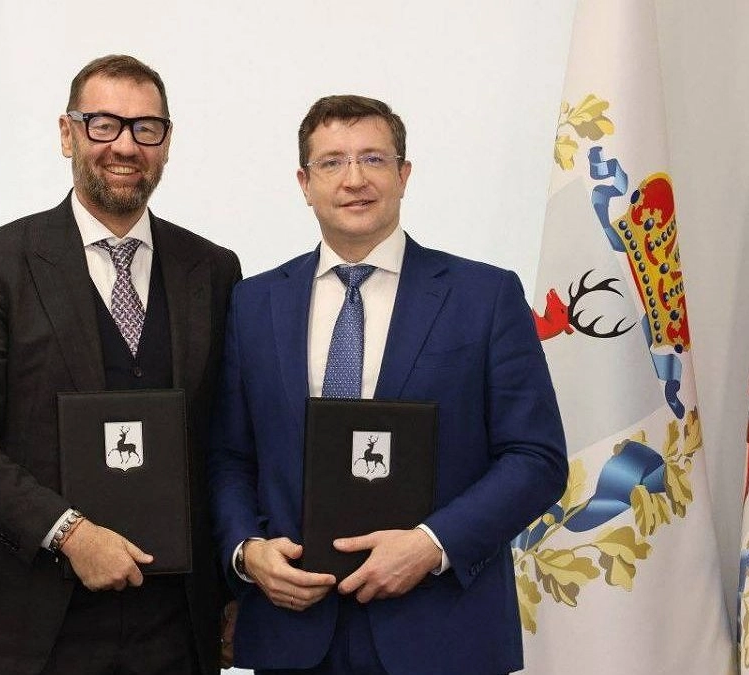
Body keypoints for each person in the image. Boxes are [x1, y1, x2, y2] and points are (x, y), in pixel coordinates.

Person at [208, 95, 568, 675]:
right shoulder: (254, 303)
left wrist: (432, 544)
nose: (354, 179)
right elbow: (230, 455)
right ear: (304, 183)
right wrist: (246, 551)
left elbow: (536, 458)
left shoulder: (485, 296)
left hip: (442, 631)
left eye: (373, 159)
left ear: (404, 175)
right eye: (332, 162)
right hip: (294, 632)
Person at [0, 54, 241, 675]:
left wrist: (235, 582)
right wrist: (69, 532)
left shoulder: (213, 269)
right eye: (103, 124)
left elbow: (227, 442)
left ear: (166, 143)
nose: (125, 145)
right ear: (67, 134)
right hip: (32, 625)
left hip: (177, 625)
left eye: (146, 128)